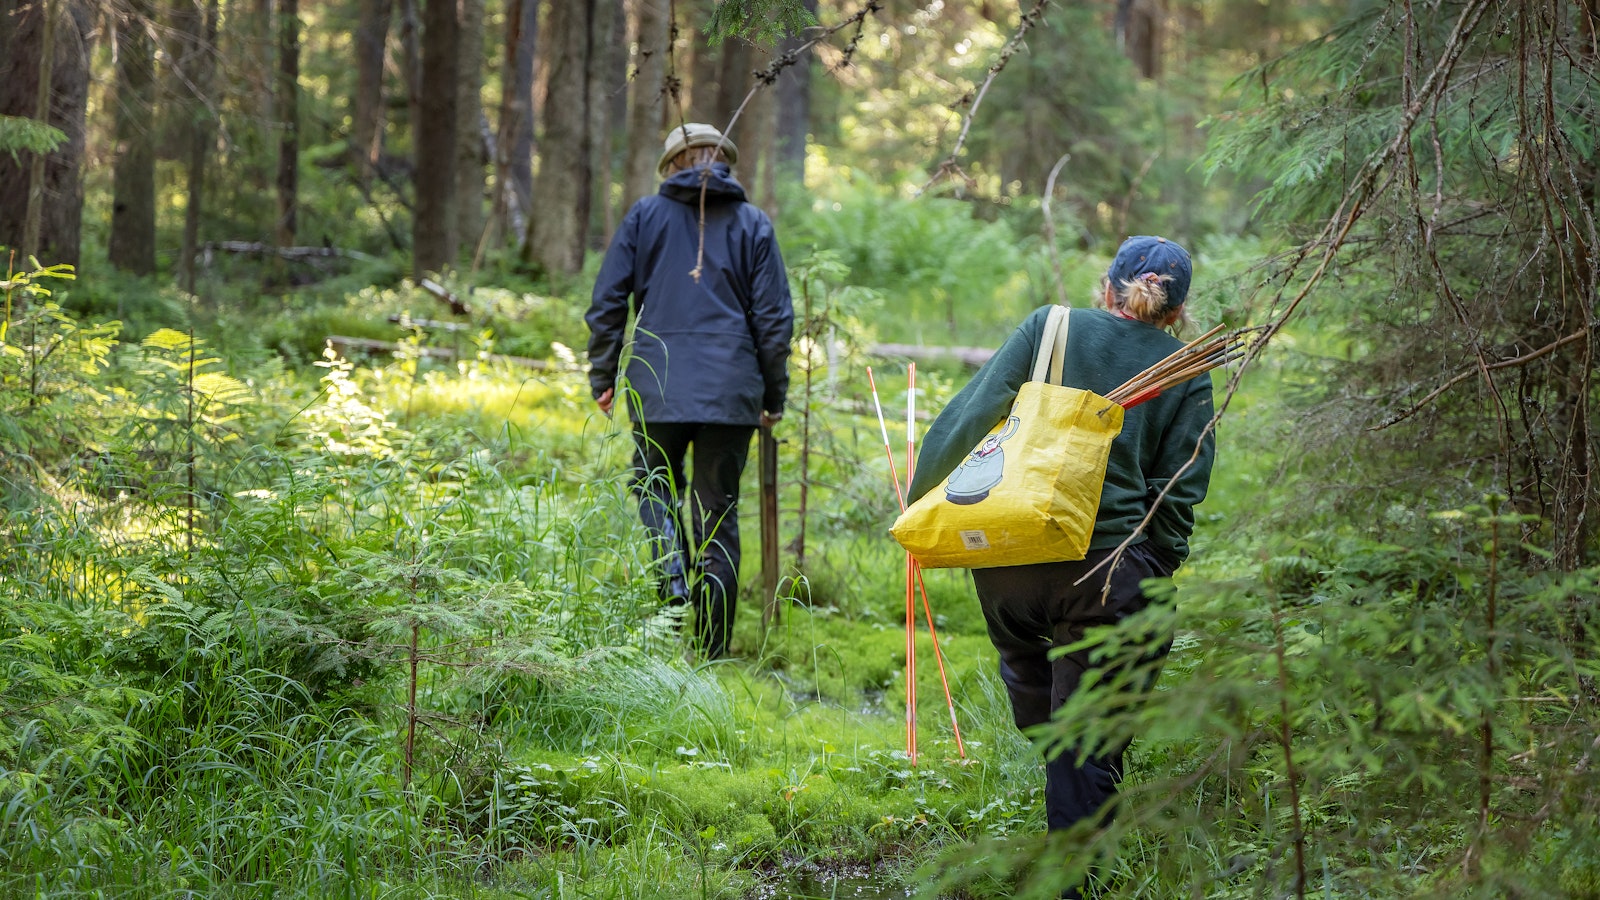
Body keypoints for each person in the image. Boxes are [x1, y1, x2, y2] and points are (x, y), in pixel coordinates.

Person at [907, 235, 1214, 893]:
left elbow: (970, 417)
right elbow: (1180, 486)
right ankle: (1076, 855)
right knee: (1087, 744)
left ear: (1108, 288)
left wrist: (919, 510)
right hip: (1108, 572)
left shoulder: (1050, 327)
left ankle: (1067, 765)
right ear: (1178, 313)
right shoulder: (1186, 366)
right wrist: (1155, 563)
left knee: (1037, 690)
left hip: (1010, 562)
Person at [585, 123, 794, 660]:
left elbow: (608, 300)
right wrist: (773, 396)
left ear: (672, 164)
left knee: (654, 485)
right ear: (723, 161)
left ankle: (673, 582)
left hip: (658, 385)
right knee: (717, 513)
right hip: (732, 392)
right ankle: (713, 650)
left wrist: (602, 375)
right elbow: (774, 322)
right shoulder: (753, 223)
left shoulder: (644, 217)